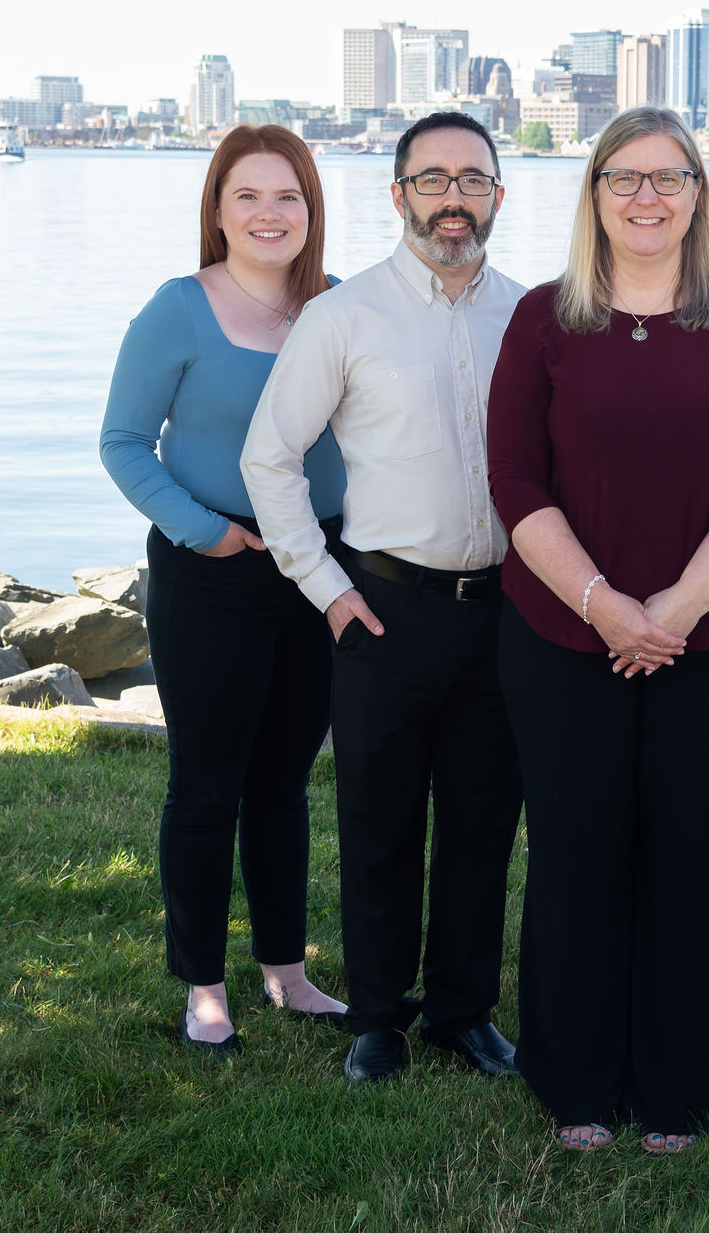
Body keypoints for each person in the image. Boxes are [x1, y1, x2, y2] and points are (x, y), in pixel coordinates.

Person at [486, 106, 709, 1154]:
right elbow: (514, 479)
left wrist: (674, 609)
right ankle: (574, 1080)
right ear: (594, 193)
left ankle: (680, 1088)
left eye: (669, 178)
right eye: (624, 177)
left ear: (698, 194)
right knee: (574, 852)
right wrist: (603, 604)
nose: (647, 197)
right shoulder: (543, 319)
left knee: (689, 854)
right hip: (559, 633)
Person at [242, 111, 526, 1085]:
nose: (454, 198)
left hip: (504, 612)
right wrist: (325, 588)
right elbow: (269, 459)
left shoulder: (531, 316)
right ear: (398, 194)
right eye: (433, 179)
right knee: (379, 822)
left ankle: (463, 1012)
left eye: (473, 179)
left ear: (498, 196)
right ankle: (377, 1017)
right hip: (384, 608)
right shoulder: (344, 316)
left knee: (482, 821)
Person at [100, 123, 349, 1057]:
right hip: (212, 572)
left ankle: (287, 969)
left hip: (319, 567)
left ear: (312, 209)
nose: (268, 213)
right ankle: (204, 986)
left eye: (288, 195)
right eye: (247, 195)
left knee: (284, 782)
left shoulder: (339, 306)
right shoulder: (178, 310)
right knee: (207, 786)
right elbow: (124, 443)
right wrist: (206, 533)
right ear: (217, 209)